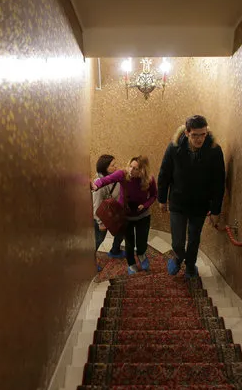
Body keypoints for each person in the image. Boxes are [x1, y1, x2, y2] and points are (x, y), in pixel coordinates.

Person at [157, 115, 225, 278]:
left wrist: (215, 210)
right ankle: (179, 257)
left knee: (194, 239)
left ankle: (190, 266)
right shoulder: (174, 148)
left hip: (200, 205)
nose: (199, 139)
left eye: (203, 134)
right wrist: (161, 199)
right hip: (178, 203)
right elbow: (164, 174)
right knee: (178, 242)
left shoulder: (215, 150)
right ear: (187, 133)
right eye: (195, 135)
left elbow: (219, 182)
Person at [92, 156, 157, 275]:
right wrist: (97, 184)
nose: (131, 170)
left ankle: (142, 254)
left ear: (143, 170)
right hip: (126, 216)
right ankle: (131, 264)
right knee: (129, 243)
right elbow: (107, 179)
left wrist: (145, 205)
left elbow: (154, 195)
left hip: (143, 216)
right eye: (130, 166)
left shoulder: (149, 179)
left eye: (136, 168)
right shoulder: (123, 174)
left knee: (142, 242)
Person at [92, 155, 125, 258]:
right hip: (102, 217)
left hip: (113, 213)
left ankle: (115, 251)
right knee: (98, 239)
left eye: (115, 164)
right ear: (105, 168)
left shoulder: (116, 177)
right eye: (113, 165)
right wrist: (101, 223)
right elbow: (96, 205)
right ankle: (89, 261)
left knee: (122, 230)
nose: (116, 167)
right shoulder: (99, 185)